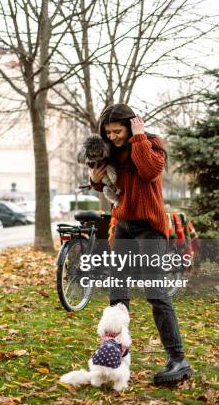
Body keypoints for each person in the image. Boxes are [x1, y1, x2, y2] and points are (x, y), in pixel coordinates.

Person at [89, 103, 193, 384]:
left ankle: (178, 359)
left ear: (132, 125)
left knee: (155, 292)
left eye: (118, 130)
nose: (113, 136)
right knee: (117, 295)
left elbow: (148, 172)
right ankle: (115, 358)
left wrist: (138, 136)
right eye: (108, 132)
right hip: (123, 225)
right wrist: (95, 181)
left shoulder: (152, 145)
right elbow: (110, 184)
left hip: (150, 229)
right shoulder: (111, 150)